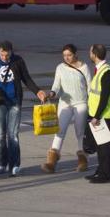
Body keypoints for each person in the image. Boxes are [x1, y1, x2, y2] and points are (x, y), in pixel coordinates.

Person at [0, 41, 47, 177]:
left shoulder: (17, 61)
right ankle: (1, 163)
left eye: (7, 54)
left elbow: (26, 78)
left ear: (11, 52)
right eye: (2, 54)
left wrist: (37, 91)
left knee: (13, 135)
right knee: (0, 135)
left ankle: (15, 164)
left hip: (15, 102)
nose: (5, 57)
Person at [42, 44, 91, 173]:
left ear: (75, 54)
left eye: (69, 55)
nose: (67, 58)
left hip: (81, 103)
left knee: (80, 132)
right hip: (65, 103)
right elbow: (56, 86)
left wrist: (92, 104)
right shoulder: (60, 68)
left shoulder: (84, 67)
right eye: (64, 55)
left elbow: (90, 87)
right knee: (59, 130)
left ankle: (83, 160)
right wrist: (51, 93)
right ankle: (51, 162)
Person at [85, 43, 110, 184]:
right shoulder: (99, 69)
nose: (89, 54)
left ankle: (105, 175)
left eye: (90, 52)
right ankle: (100, 171)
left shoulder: (106, 72)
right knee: (99, 146)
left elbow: (104, 96)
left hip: (103, 115)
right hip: (96, 113)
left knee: (104, 147)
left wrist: (97, 116)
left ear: (95, 55)